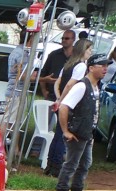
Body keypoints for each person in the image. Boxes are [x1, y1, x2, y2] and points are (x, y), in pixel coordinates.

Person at [52, 53, 110, 191]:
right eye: (102, 65)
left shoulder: (96, 86)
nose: (106, 68)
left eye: (106, 66)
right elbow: (64, 107)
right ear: (91, 68)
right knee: (71, 163)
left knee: (85, 164)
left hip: (86, 133)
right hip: (77, 132)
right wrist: (65, 131)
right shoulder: (82, 86)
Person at [40, 29, 74, 177]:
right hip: (54, 96)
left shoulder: (76, 60)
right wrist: (45, 91)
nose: (64, 40)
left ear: (73, 40)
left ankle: (53, 163)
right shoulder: (54, 55)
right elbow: (43, 75)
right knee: (47, 126)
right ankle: (45, 157)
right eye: (63, 38)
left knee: (60, 131)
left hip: (66, 100)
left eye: (67, 38)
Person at [4, 31, 35, 128]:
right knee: (9, 123)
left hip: (15, 90)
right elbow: (23, 76)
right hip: (17, 92)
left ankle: (15, 144)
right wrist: (42, 79)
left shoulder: (19, 51)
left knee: (15, 123)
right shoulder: (22, 54)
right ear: (31, 38)